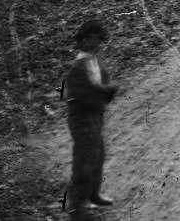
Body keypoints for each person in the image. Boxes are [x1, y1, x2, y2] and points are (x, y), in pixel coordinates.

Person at [63, 20, 118, 218]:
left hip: (94, 116)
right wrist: (106, 90)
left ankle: (93, 195)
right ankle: (77, 206)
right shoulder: (78, 67)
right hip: (82, 119)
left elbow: (104, 85)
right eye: (92, 40)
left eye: (98, 40)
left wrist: (107, 90)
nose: (96, 44)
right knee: (84, 160)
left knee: (97, 156)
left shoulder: (94, 62)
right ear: (83, 41)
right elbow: (82, 95)